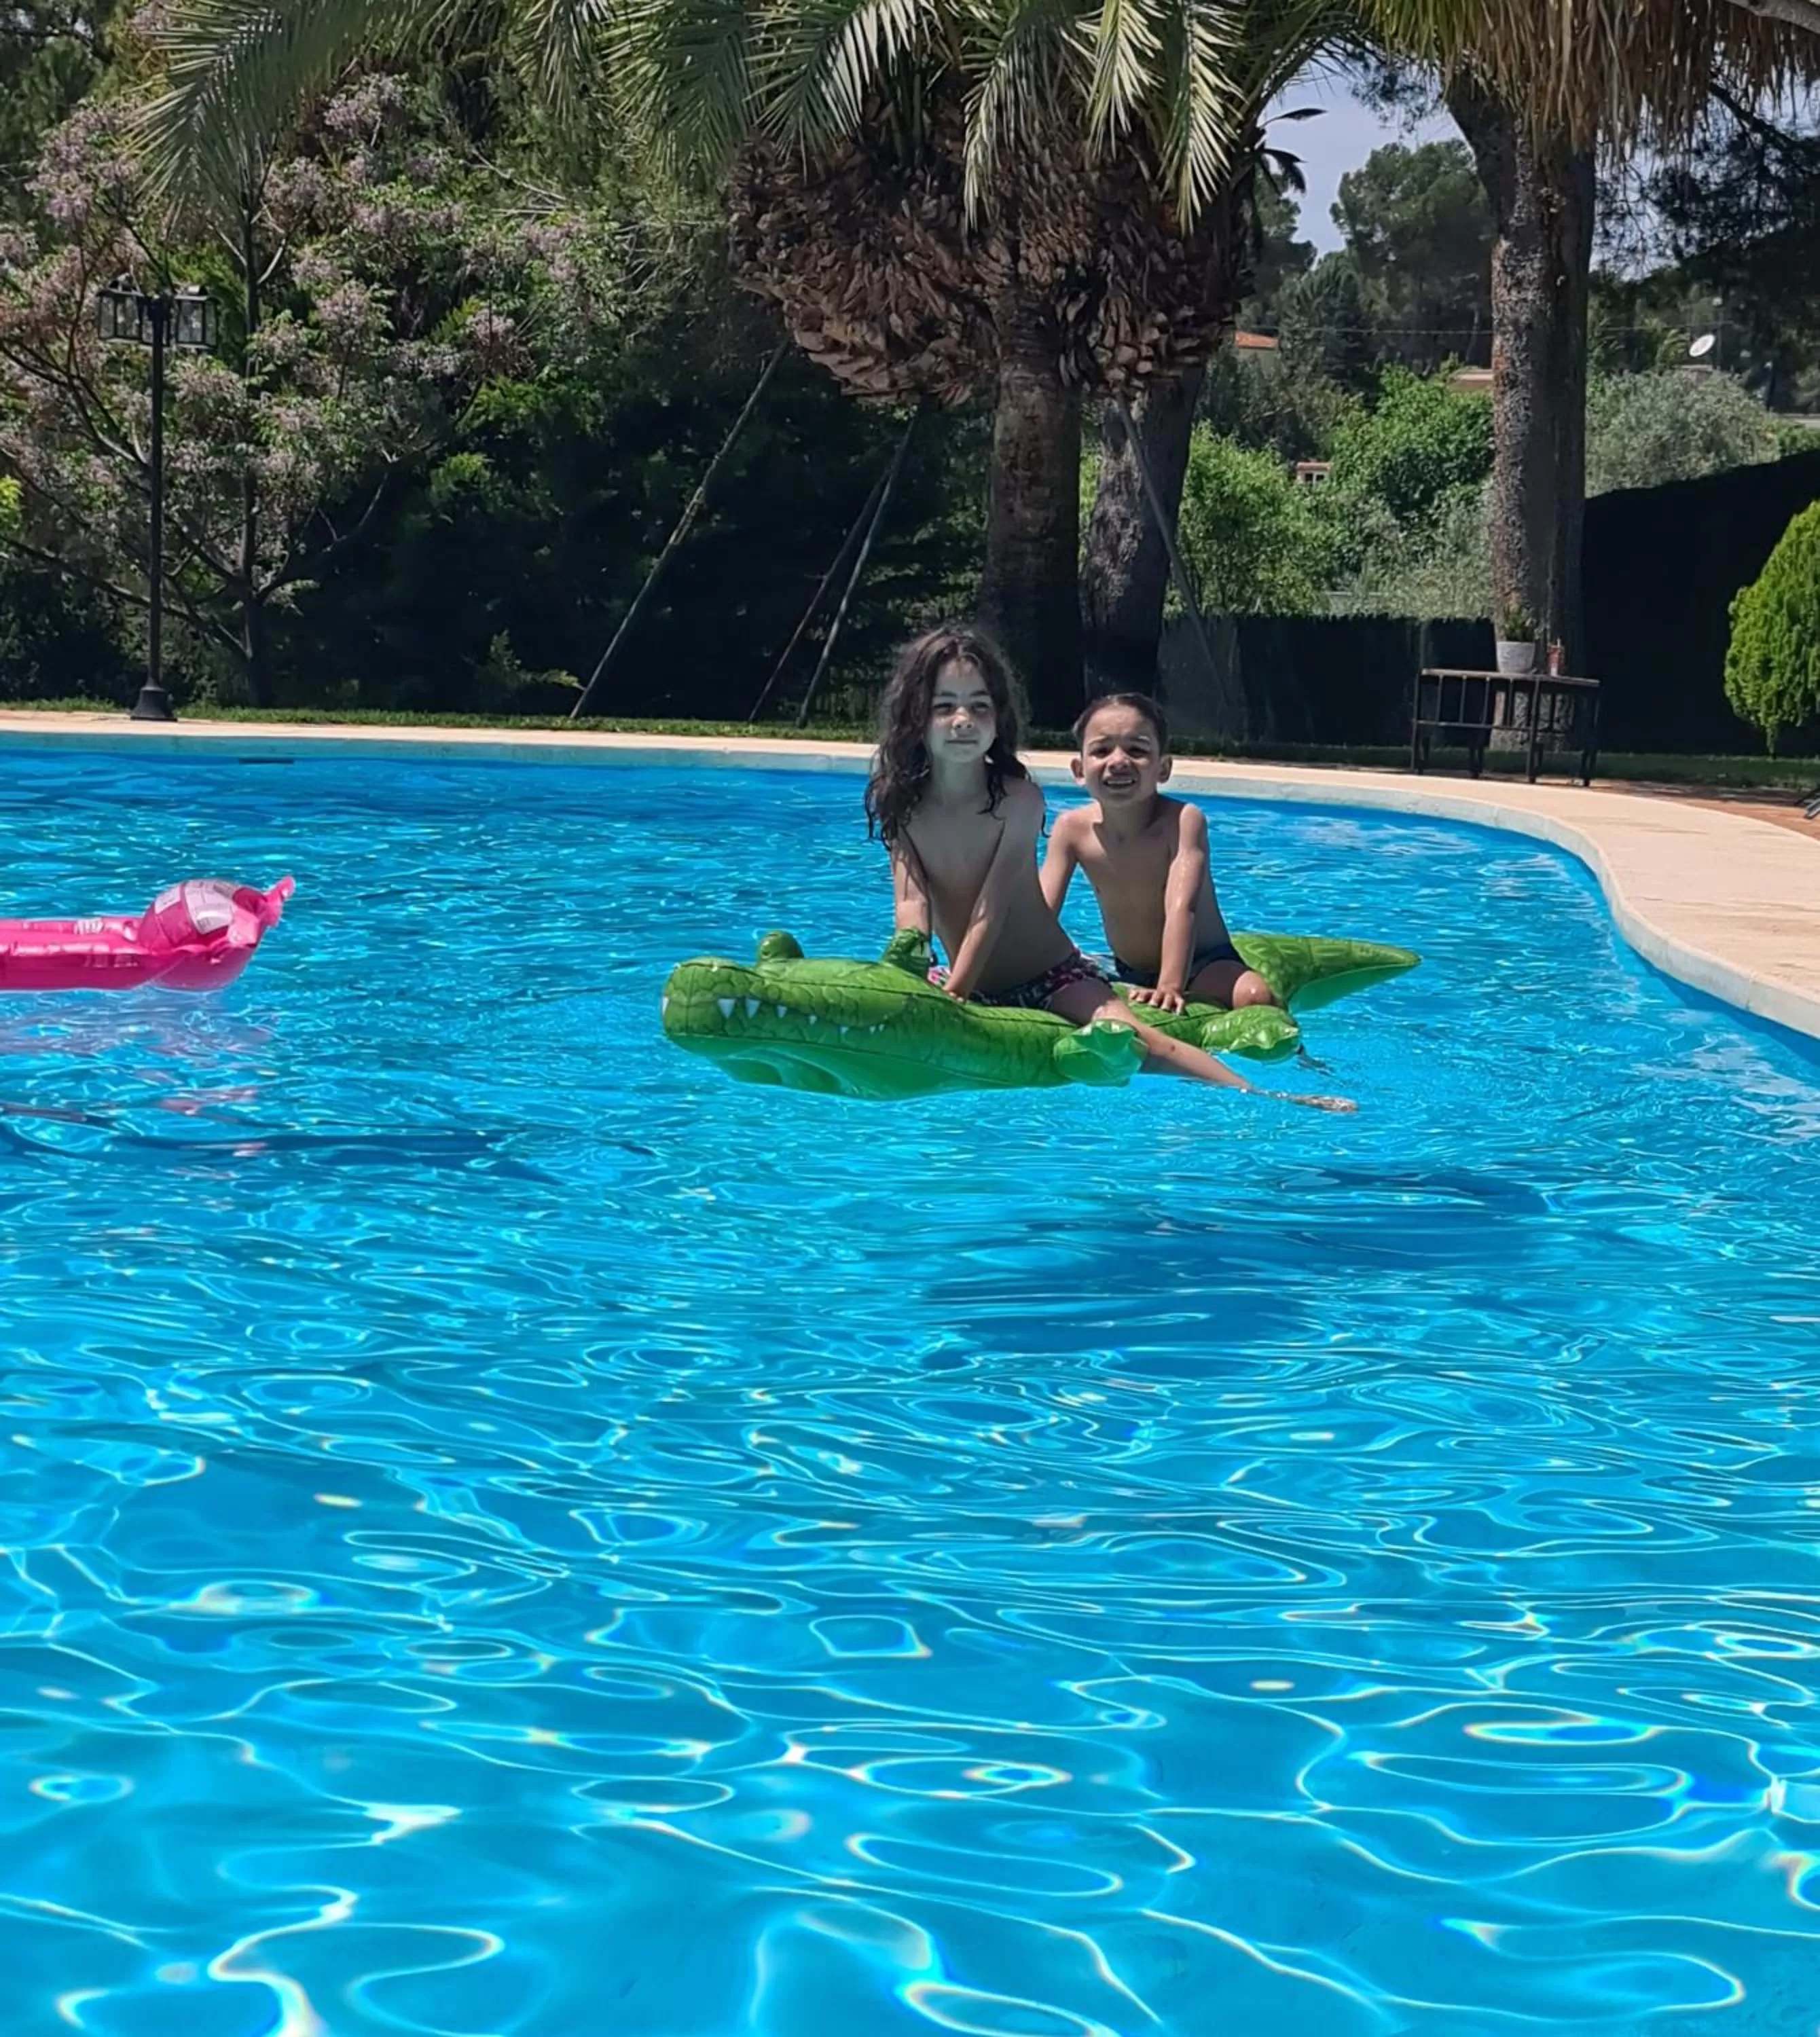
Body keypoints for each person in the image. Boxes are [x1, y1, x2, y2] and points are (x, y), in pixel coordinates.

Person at [863, 626, 1353, 1112]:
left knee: (1143, 1043)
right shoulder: (900, 802)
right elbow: (912, 902)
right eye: (944, 706)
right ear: (915, 716)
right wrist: (915, 966)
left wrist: (958, 993)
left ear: (999, 717)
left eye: (979, 705)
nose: (963, 720)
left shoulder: (1016, 799)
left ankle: (1278, 1096)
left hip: (1049, 975)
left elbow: (995, 905)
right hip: (961, 973)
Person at [1043, 691, 1277, 1016]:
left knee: (1255, 996)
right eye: (1101, 750)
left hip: (1203, 965)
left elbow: (1183, 908)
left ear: (1163, 768)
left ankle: (1304, 1056)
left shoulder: (1182, 821)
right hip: (1124, 969)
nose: (1119, 761)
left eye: (1137, 750)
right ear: (1079, 769)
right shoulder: (1071, 829)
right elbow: (1040, 911)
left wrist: (1170, 986)